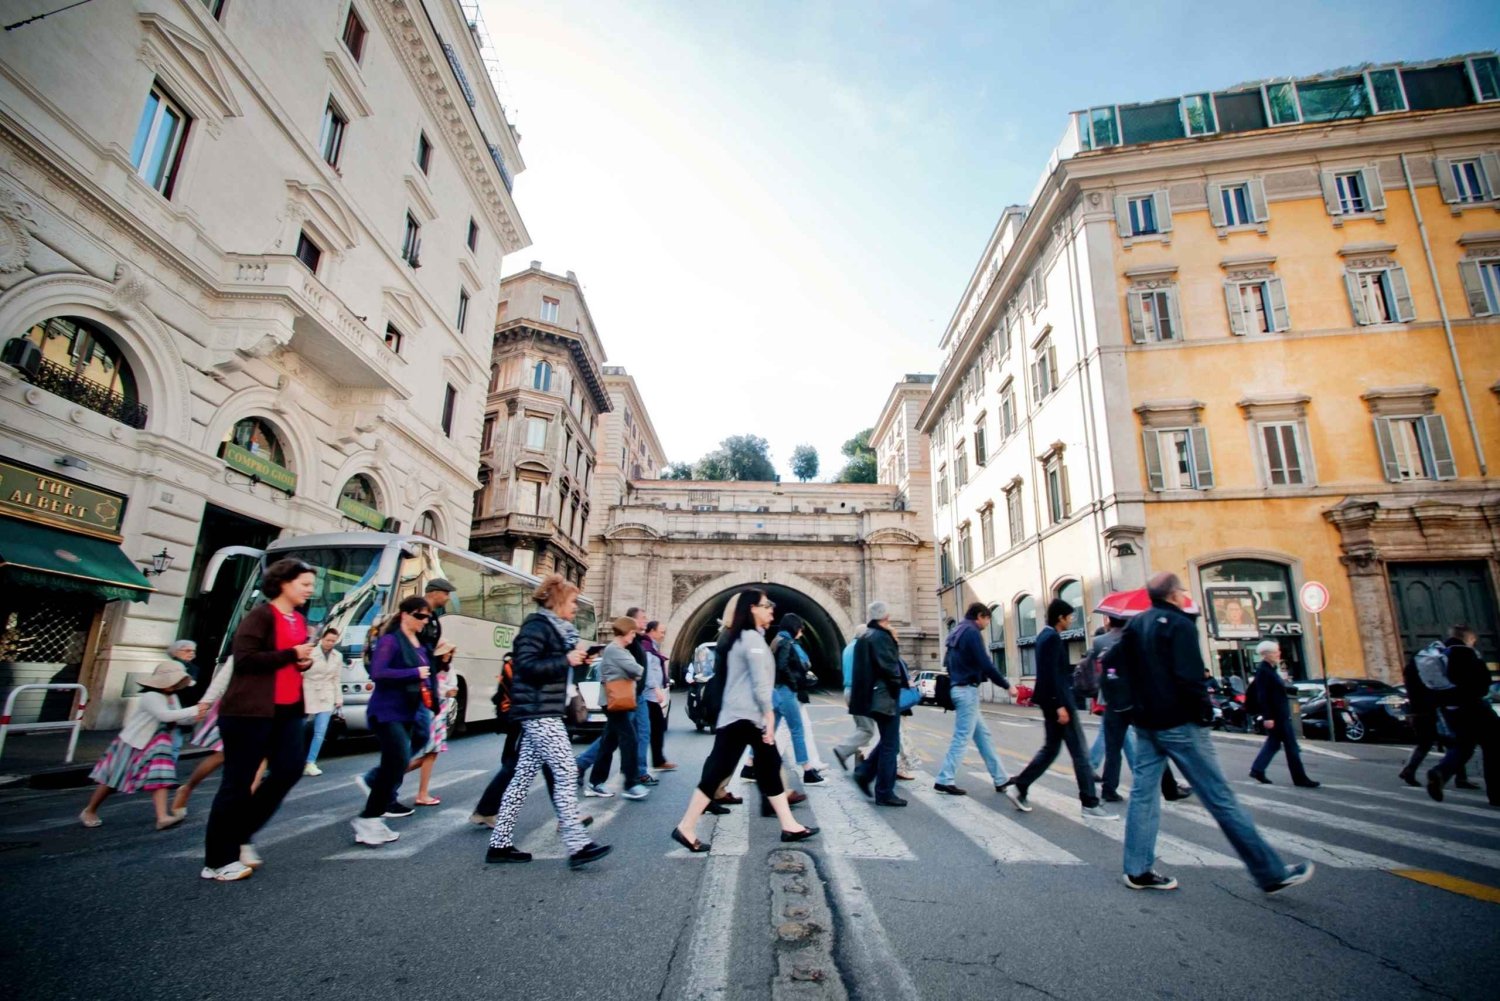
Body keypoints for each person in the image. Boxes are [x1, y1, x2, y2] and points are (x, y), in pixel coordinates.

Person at [1113, 571, 1314, 893]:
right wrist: (1204, 713)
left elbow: (1118, 666)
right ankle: (1270, 872)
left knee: (1143, 795)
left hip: (1146, 725)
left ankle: (1137, 869)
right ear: (1174, 595)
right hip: (1180, 724)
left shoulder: (1136, 625)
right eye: (1181, 590)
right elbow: (1191, 677)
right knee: (1220, 797)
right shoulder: (1179, 624)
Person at [669, 588, 818, 852]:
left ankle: (789, 825)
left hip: (739, 716)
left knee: (769, 766)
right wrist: (769, 717)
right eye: (766, 605)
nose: (771, 609)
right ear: (752, 609)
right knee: (718, 772)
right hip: (744, 717)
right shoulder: (751, 640)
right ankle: (686, 826)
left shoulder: (742, 638)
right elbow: (761, 685)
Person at [201, 558, 317, 882]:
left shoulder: (298, 619)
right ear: (283, 583)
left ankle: (240, 833)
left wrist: (302, 662)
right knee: (237, 784)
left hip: (288, 710)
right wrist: (293, 655)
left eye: (311, 585)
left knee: (290, 769)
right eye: (304, 584)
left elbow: (290, 660)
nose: (310, 590)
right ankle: (217, 861)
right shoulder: (261, 615)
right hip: (249, 712)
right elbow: (246, 660)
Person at [486, 574, 610, 867]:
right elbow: (526, 666)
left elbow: (547, 666)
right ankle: (577, 844)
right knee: (567, 771)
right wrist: (565, 661)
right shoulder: (536, 628)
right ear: (556, 603)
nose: (575, 607)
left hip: (543, 709)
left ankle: (499, 844)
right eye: (571, 602)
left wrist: (575, 660)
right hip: (537, 711)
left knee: (522, 777)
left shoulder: (555, 630)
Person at [1002, 599, 1110, 817]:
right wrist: (1060, 705)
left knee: (1051, 749)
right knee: (1079, 752)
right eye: (1069, 616)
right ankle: (1089, 802)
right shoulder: (1051, 638)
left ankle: (1020, 786)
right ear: (1060, 617)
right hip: (1060, 702)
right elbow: (1052, 675)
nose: (1071, 620)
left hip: (1053, 701)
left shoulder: (1045, 636)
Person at [79, 662, 206, 829]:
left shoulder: (172, 697)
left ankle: (162, 817)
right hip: (135, 741)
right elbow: (165, 715)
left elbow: (177, 718)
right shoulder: (151, 696)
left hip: (159, 743)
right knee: (112, 780)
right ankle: (90, 810)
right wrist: (195, 710)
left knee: (160, 778)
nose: (176, 686)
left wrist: (196, 716)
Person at [351, 596, 432, 846]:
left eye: (427, 617)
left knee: (395, 764)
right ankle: (368, 818)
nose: (424, 621)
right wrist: (414, 673)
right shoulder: (390, 640)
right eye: (419, 616)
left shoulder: (418, 642)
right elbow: (378, 672)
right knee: (396, 762)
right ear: (405, 614)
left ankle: (372, 819)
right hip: (386, 712)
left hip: (407, 710)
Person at [1088, 616, 1190, 804]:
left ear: (1109, 620)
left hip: (1112, 702)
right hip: (1136, 701)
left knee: (1113, 749)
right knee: (1155, 743)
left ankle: (1109, 789)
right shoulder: (1139, 639)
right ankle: (1169, 788)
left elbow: (1097, 671)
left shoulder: (1099, 641)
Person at [934, 602, 1012, 796]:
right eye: (987, 619)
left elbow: (948, 663)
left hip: (959, 687)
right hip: (966, 689)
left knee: (983, 736)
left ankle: (1000, 778)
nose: (987, 624)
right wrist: (1006, 685)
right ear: (980, 616)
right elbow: (985, 662)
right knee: (962, 737)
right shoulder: (971, 632)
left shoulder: (956, 631)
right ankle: (945, 778)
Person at [1426, 625, 1498, 805]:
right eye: (1473, 640)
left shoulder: (1438, 654)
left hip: (1450, 709)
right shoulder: (1466, 653)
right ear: (1468, 638)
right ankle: (1497, 793)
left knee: (1463, 746)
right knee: (1494, 746)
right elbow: (1484, 683)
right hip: (1473, 706)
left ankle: (1441, 772)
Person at [850, 601, 907, 807]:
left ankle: (864, 773)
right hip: (885, 697)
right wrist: (897, 685)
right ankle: (884, 791)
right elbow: (890, 668)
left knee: (887, 741)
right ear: (886, 616)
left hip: (873, 696)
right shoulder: (882, 637)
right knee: (891, 745)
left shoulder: (865, 637)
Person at [587, 617, 650, 800]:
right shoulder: (615, 650)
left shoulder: (617, 650)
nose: (633, 637)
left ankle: (595, 782)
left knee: (609, 741)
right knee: (629, 739)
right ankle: (631, 784)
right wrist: (633, 673)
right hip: (614, 701)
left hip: (614, 700)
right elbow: (637, 670)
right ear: (626, 632)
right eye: (632, 633)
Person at [1247, 640, 1318, 788]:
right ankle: (1300, 778)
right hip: (1276, 716)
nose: (1278, 654)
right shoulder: (1264, 671)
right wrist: (1268, 717)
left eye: (1277, 651)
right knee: (1291, 747)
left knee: (1273, 744)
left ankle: (1257, 769)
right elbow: (1263, 695)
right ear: (1266, 655)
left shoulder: (1271, 670)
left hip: (1279, 714)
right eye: (1274, 652)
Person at [1399, 651, 1471, 788]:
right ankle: (1460, 778)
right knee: (1455, 744)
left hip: (1418, 711)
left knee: (1425, 743)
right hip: (1433, 711)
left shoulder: (1410, 672)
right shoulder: (1429, 673)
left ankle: (1409, 770)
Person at [772, 614, 823, 785]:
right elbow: (782, 666)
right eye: (800, 628)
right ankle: (807, 770)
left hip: (779, 690)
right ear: (794, 627)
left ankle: (749, 766)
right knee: (797, 730)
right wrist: (794, 684)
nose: (801, 632)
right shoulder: (786, 643)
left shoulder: (778, 640)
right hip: (786, 691)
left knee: (770, 730)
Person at [412, 660, 460, 805]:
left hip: (441, 710)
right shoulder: (429, 665)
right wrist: (446, 690)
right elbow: (432, 687)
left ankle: (387, 777)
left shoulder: (449, 668)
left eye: (451, 652)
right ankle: (421, 793)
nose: (449, 655)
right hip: (431, 710)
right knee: (431, 752)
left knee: (432, 753)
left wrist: (449, 690)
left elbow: (453, 687)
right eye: (446, 651)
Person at [302, 626, 344, 776]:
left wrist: (338, 699)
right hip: (308, 691)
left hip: (327, 694)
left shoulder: (337, 656)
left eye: (333, 641)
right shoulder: (310, 652)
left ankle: (310, 762)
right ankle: (292, 759)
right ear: (321, 639)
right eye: (328, 640)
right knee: (297, 729)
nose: (330, 643)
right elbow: (301, 672)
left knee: (320, 731)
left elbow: (336, 678)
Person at [641, 620, 677, 771]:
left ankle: (657, 760)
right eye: (661, 632)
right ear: (652, 631)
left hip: (650, 695)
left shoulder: (652, 648)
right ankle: (653, 762)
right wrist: (656, 688)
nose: (663, 635)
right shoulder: (647, 649)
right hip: (647, 695)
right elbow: (647, 670)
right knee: (651, 728)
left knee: (656, 727)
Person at [167, 639, 201, 705]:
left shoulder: (194, 668)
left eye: (193, 651)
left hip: (186, 701)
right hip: (171, 699)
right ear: (175, 652)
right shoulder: (169, 664)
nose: (192, 653)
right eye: (187, 651)